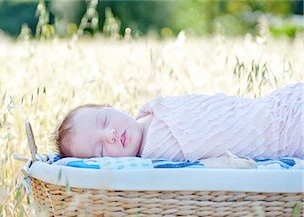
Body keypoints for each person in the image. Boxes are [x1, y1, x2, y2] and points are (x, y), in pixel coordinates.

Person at [54, 83, 303, 161]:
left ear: (111, 107)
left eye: (105, 120)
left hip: (274, 108)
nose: (109, 134)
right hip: (283, 139)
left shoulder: (153, 109)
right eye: (100, 150)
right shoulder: (152, 162)